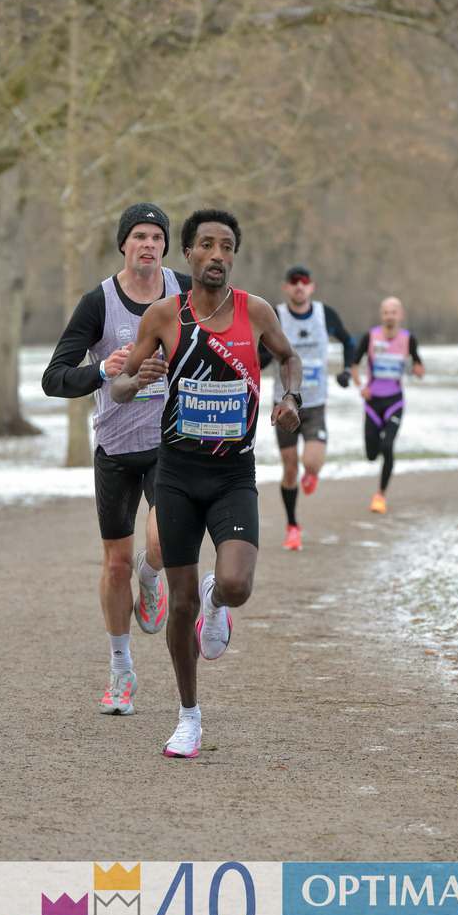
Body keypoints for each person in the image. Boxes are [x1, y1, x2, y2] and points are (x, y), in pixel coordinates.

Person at [111, 208, 302, 758]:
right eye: (207, 246)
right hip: (176, 475)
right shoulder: (165, 316)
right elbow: (121, 387)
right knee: (181, 602)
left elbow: (288, 360)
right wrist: (136, 377)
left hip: (233, 474)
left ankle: (221, 602)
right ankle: (188, 717)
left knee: (235, 586)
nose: (218, 255)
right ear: (188, 255)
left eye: (227, 247)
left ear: (233, 256)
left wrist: (290, 399)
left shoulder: (256, 311)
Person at [42, 202, 191, 716]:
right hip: (115, 446)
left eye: (156, 236)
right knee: (115, 562)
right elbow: (53, 377)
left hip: (170, 442)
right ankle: (121, 671)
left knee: (160, 540)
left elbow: (234, 343)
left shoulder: (187, 293)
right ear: (124, 244)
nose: (148, 244)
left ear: (166, 246)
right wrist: (102, 371)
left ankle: (153, 581)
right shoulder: (98, 303)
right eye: (139, 236)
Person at [261, 266, 355, 551]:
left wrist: (347, 370)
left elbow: (349, 342)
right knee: (290, 470)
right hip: (284, 404)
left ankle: (312, 473)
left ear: (311, 287)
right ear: (285, 288)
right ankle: (293, 527)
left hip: (314, 404)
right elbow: (261, 353)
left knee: (312, 463)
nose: (299, 287)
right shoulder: (275, 315)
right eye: (293, 283)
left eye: (304, 283)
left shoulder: (325, 314)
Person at [351, 296, 424, 513]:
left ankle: (380, 496)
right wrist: (360, 386)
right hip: (372, 402)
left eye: (394, 312)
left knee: (388, 446)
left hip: (395, 401)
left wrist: (417, 369)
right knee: (372, 454)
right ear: (381, 315)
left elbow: (419, 366)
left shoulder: (408, 339)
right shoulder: (370, 337)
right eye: (386, 312)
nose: (390, 316)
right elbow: (354, 364)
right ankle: (379, 454)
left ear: (401, 315)